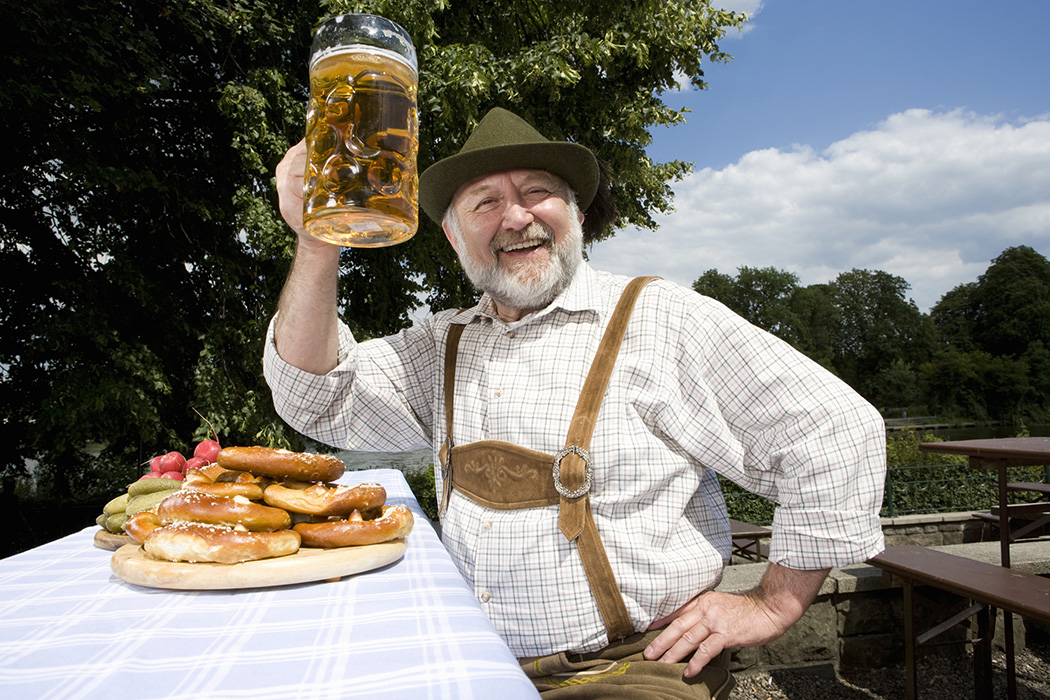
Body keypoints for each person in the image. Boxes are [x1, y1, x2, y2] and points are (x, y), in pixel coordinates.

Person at [264, 107, 886, 699]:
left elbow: (836, 430)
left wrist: (771, 602)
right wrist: (318, 239)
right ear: (454, 236)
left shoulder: (658, 318)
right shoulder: (443, 343)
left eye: (537, 192)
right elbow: (314, 395)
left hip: (631, 670)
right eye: (485, 202)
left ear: (577, 216)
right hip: (475, 660)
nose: (516, 217)